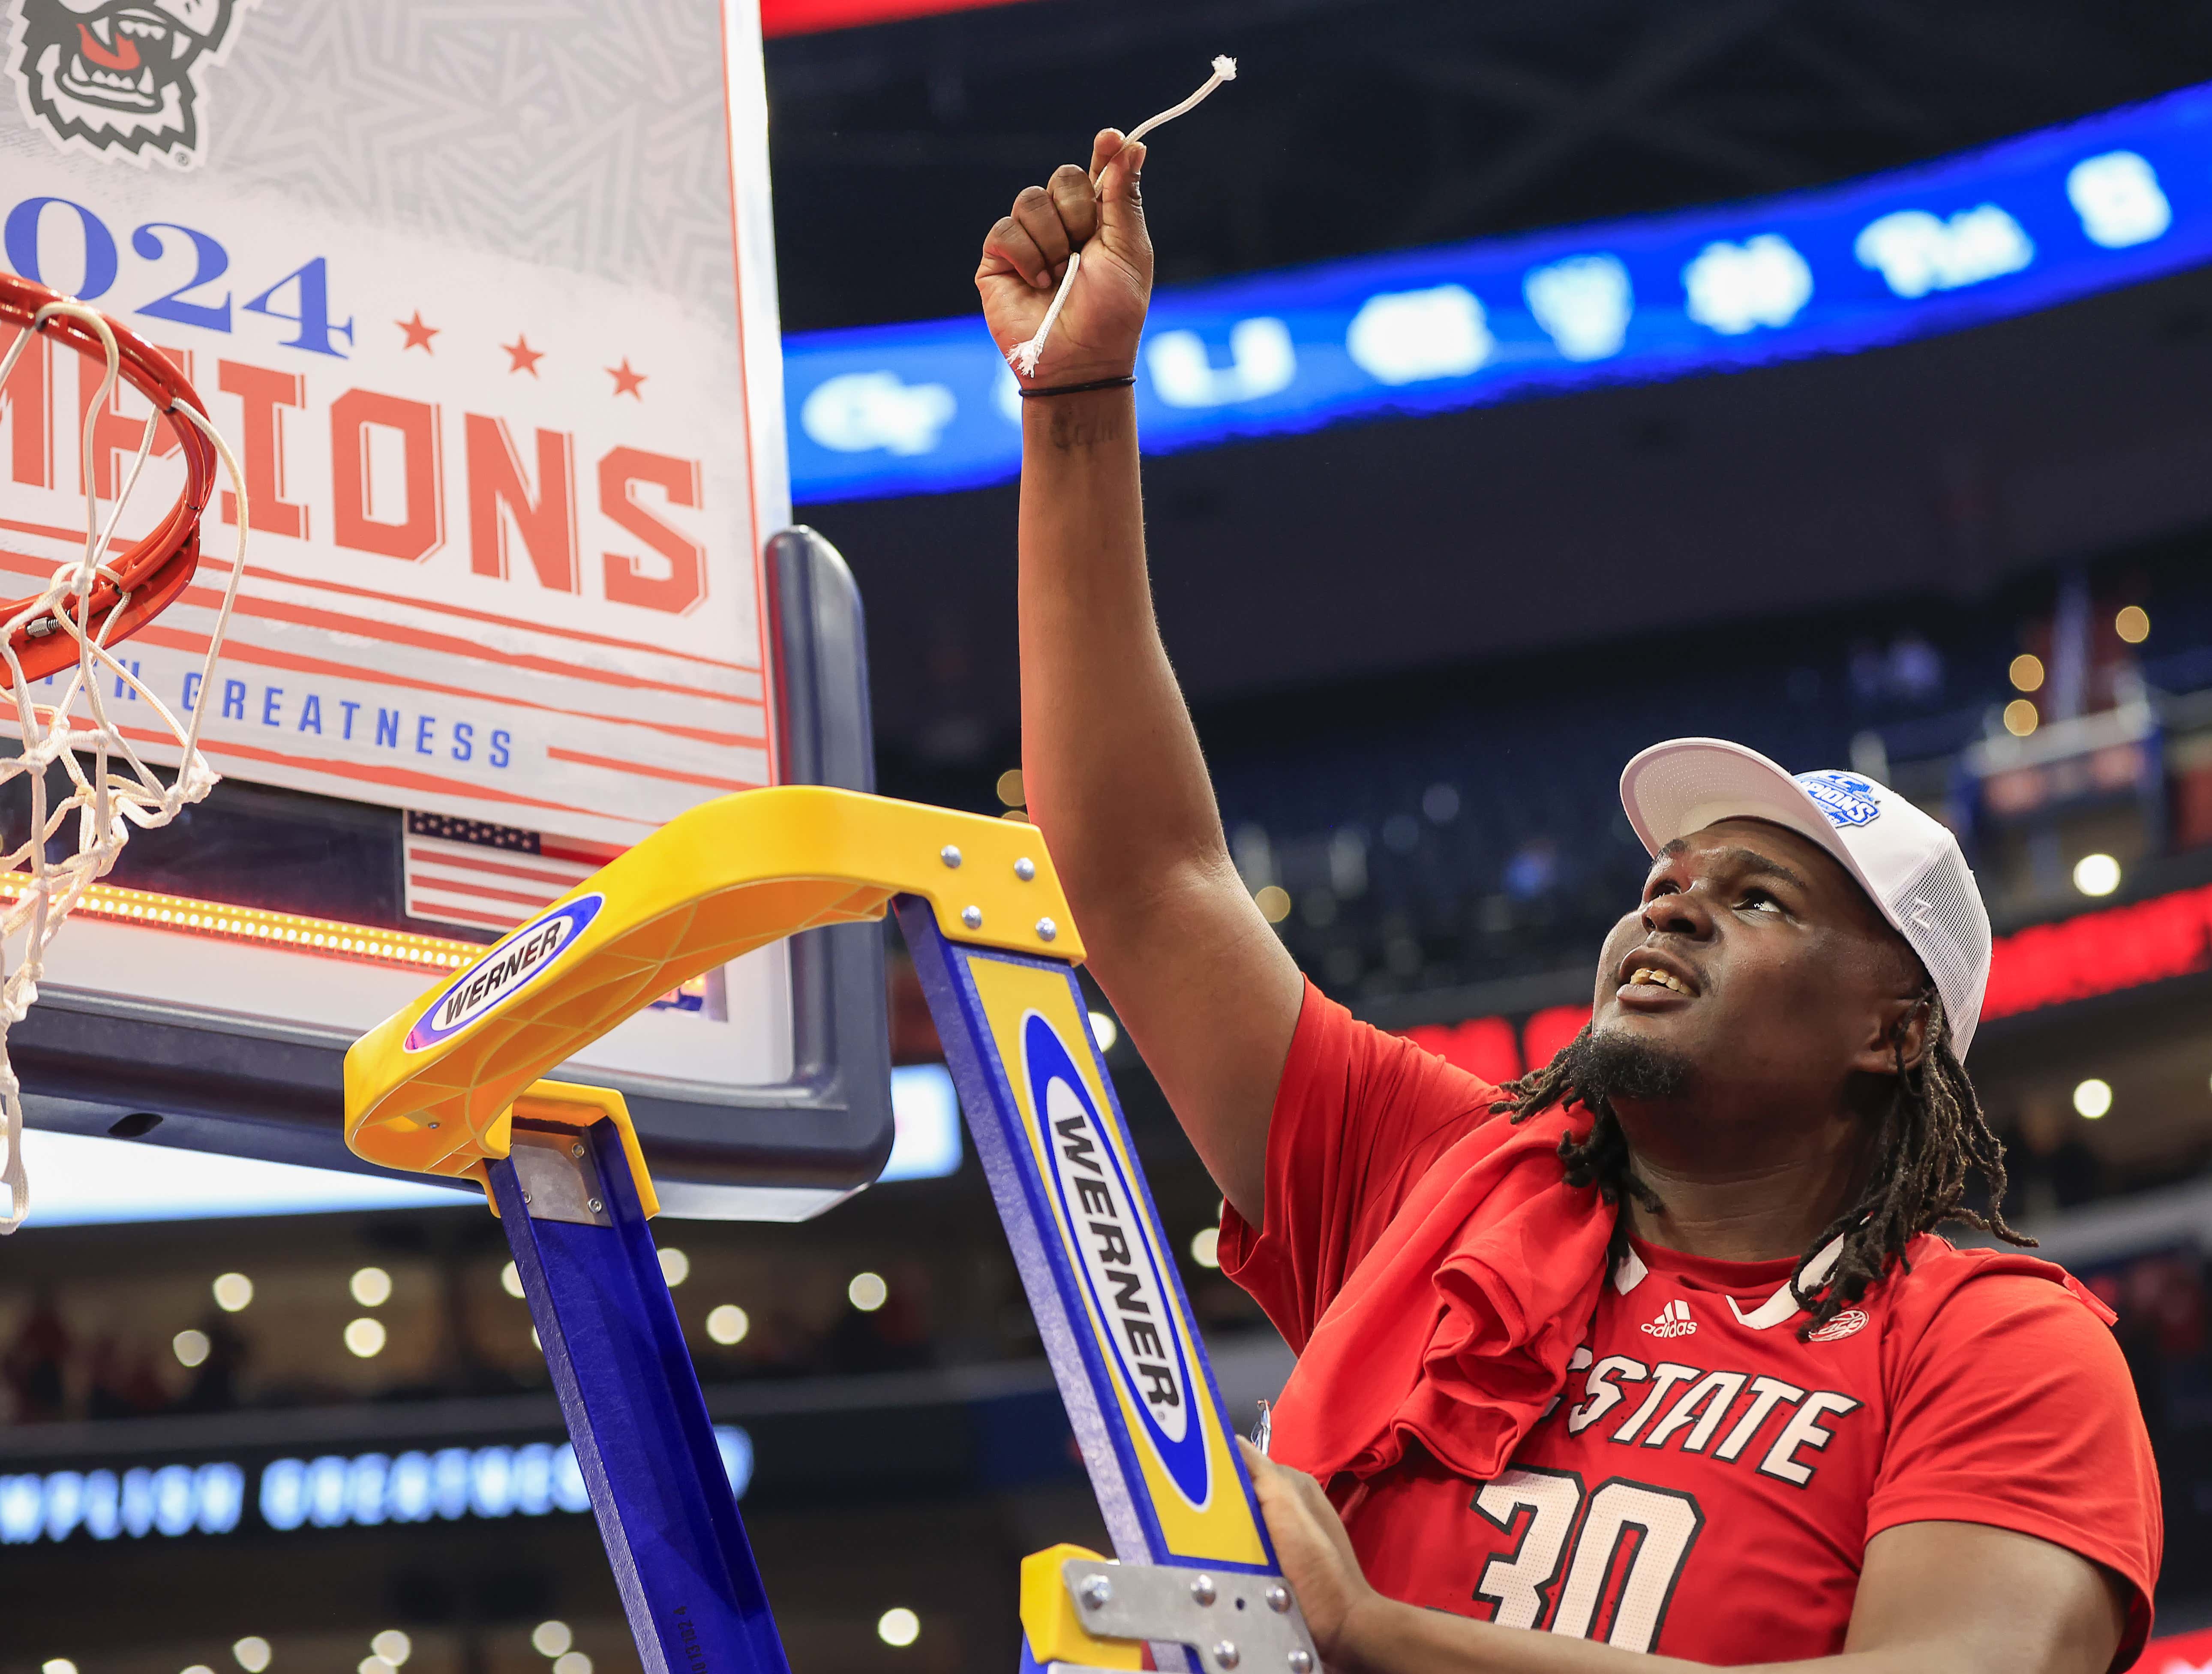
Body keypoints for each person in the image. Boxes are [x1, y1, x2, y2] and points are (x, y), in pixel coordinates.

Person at [977, 132, 2161, 1672]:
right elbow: (1144, 877)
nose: (1666, 911)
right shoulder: (1439, 1176)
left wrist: (1376, 1636)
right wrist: (1073, 407)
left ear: (1890, 1026)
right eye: (1663, 882)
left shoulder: (1996, 1340)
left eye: (1757, 899)